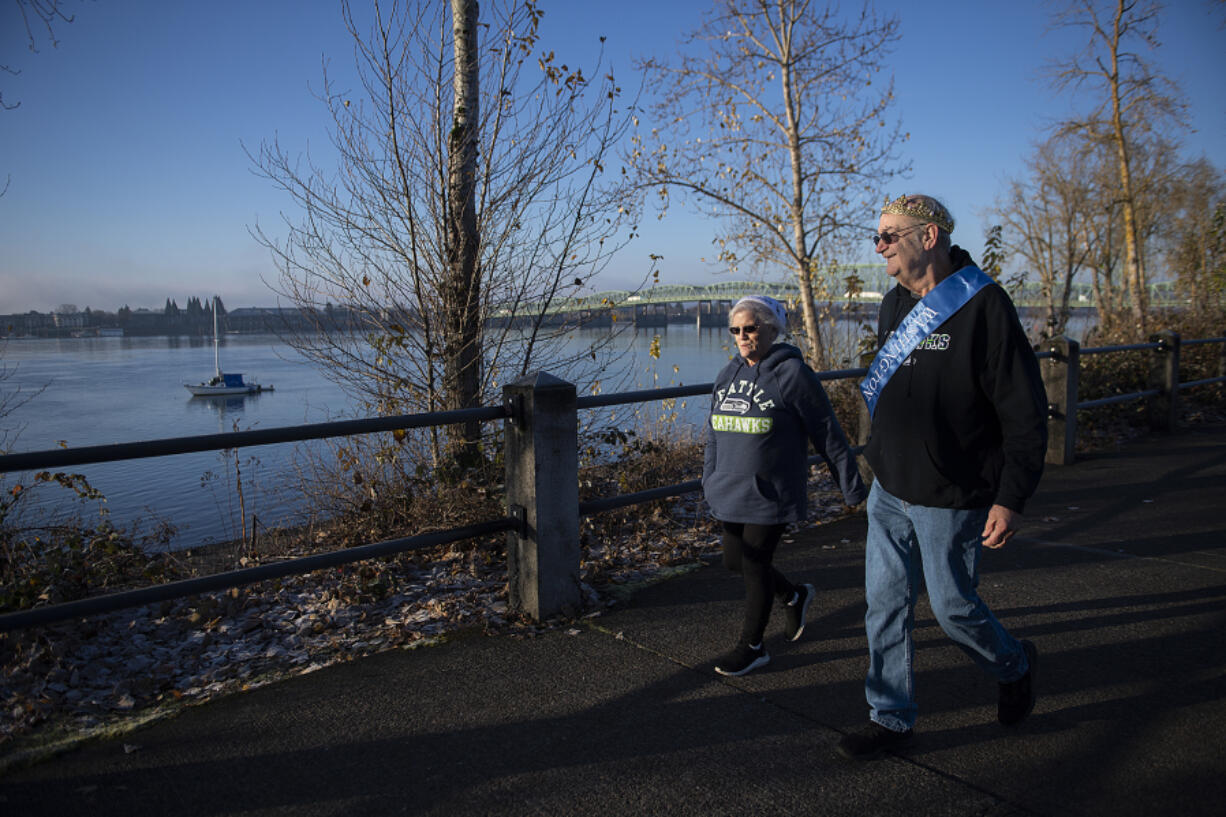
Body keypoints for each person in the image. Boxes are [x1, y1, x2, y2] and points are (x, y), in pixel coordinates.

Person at [837, 194, 1048, 759]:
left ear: (928, 237)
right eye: (876, 236)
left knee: (954, 609)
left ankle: (1014, 663)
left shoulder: (985, 306)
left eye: (888, 236)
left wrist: (1012, 497)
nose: (878, 246)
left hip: (953, 492)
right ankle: (891, 718)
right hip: (891, 488)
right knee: (883, 606)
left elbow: (1023, 409)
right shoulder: (892, 306)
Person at [702, 295, 867, 677]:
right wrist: (708, 479)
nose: (742, 336)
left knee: (755, 561)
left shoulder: (792, 374)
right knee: (733, 560)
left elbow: (826, 431)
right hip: (729, 489)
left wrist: (851, 487)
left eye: (750, 328)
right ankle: (793, 595)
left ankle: (753, 646)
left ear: (771, 329)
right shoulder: (728, 374)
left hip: (771, 491)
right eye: (736, 330)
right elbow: (712, 434)